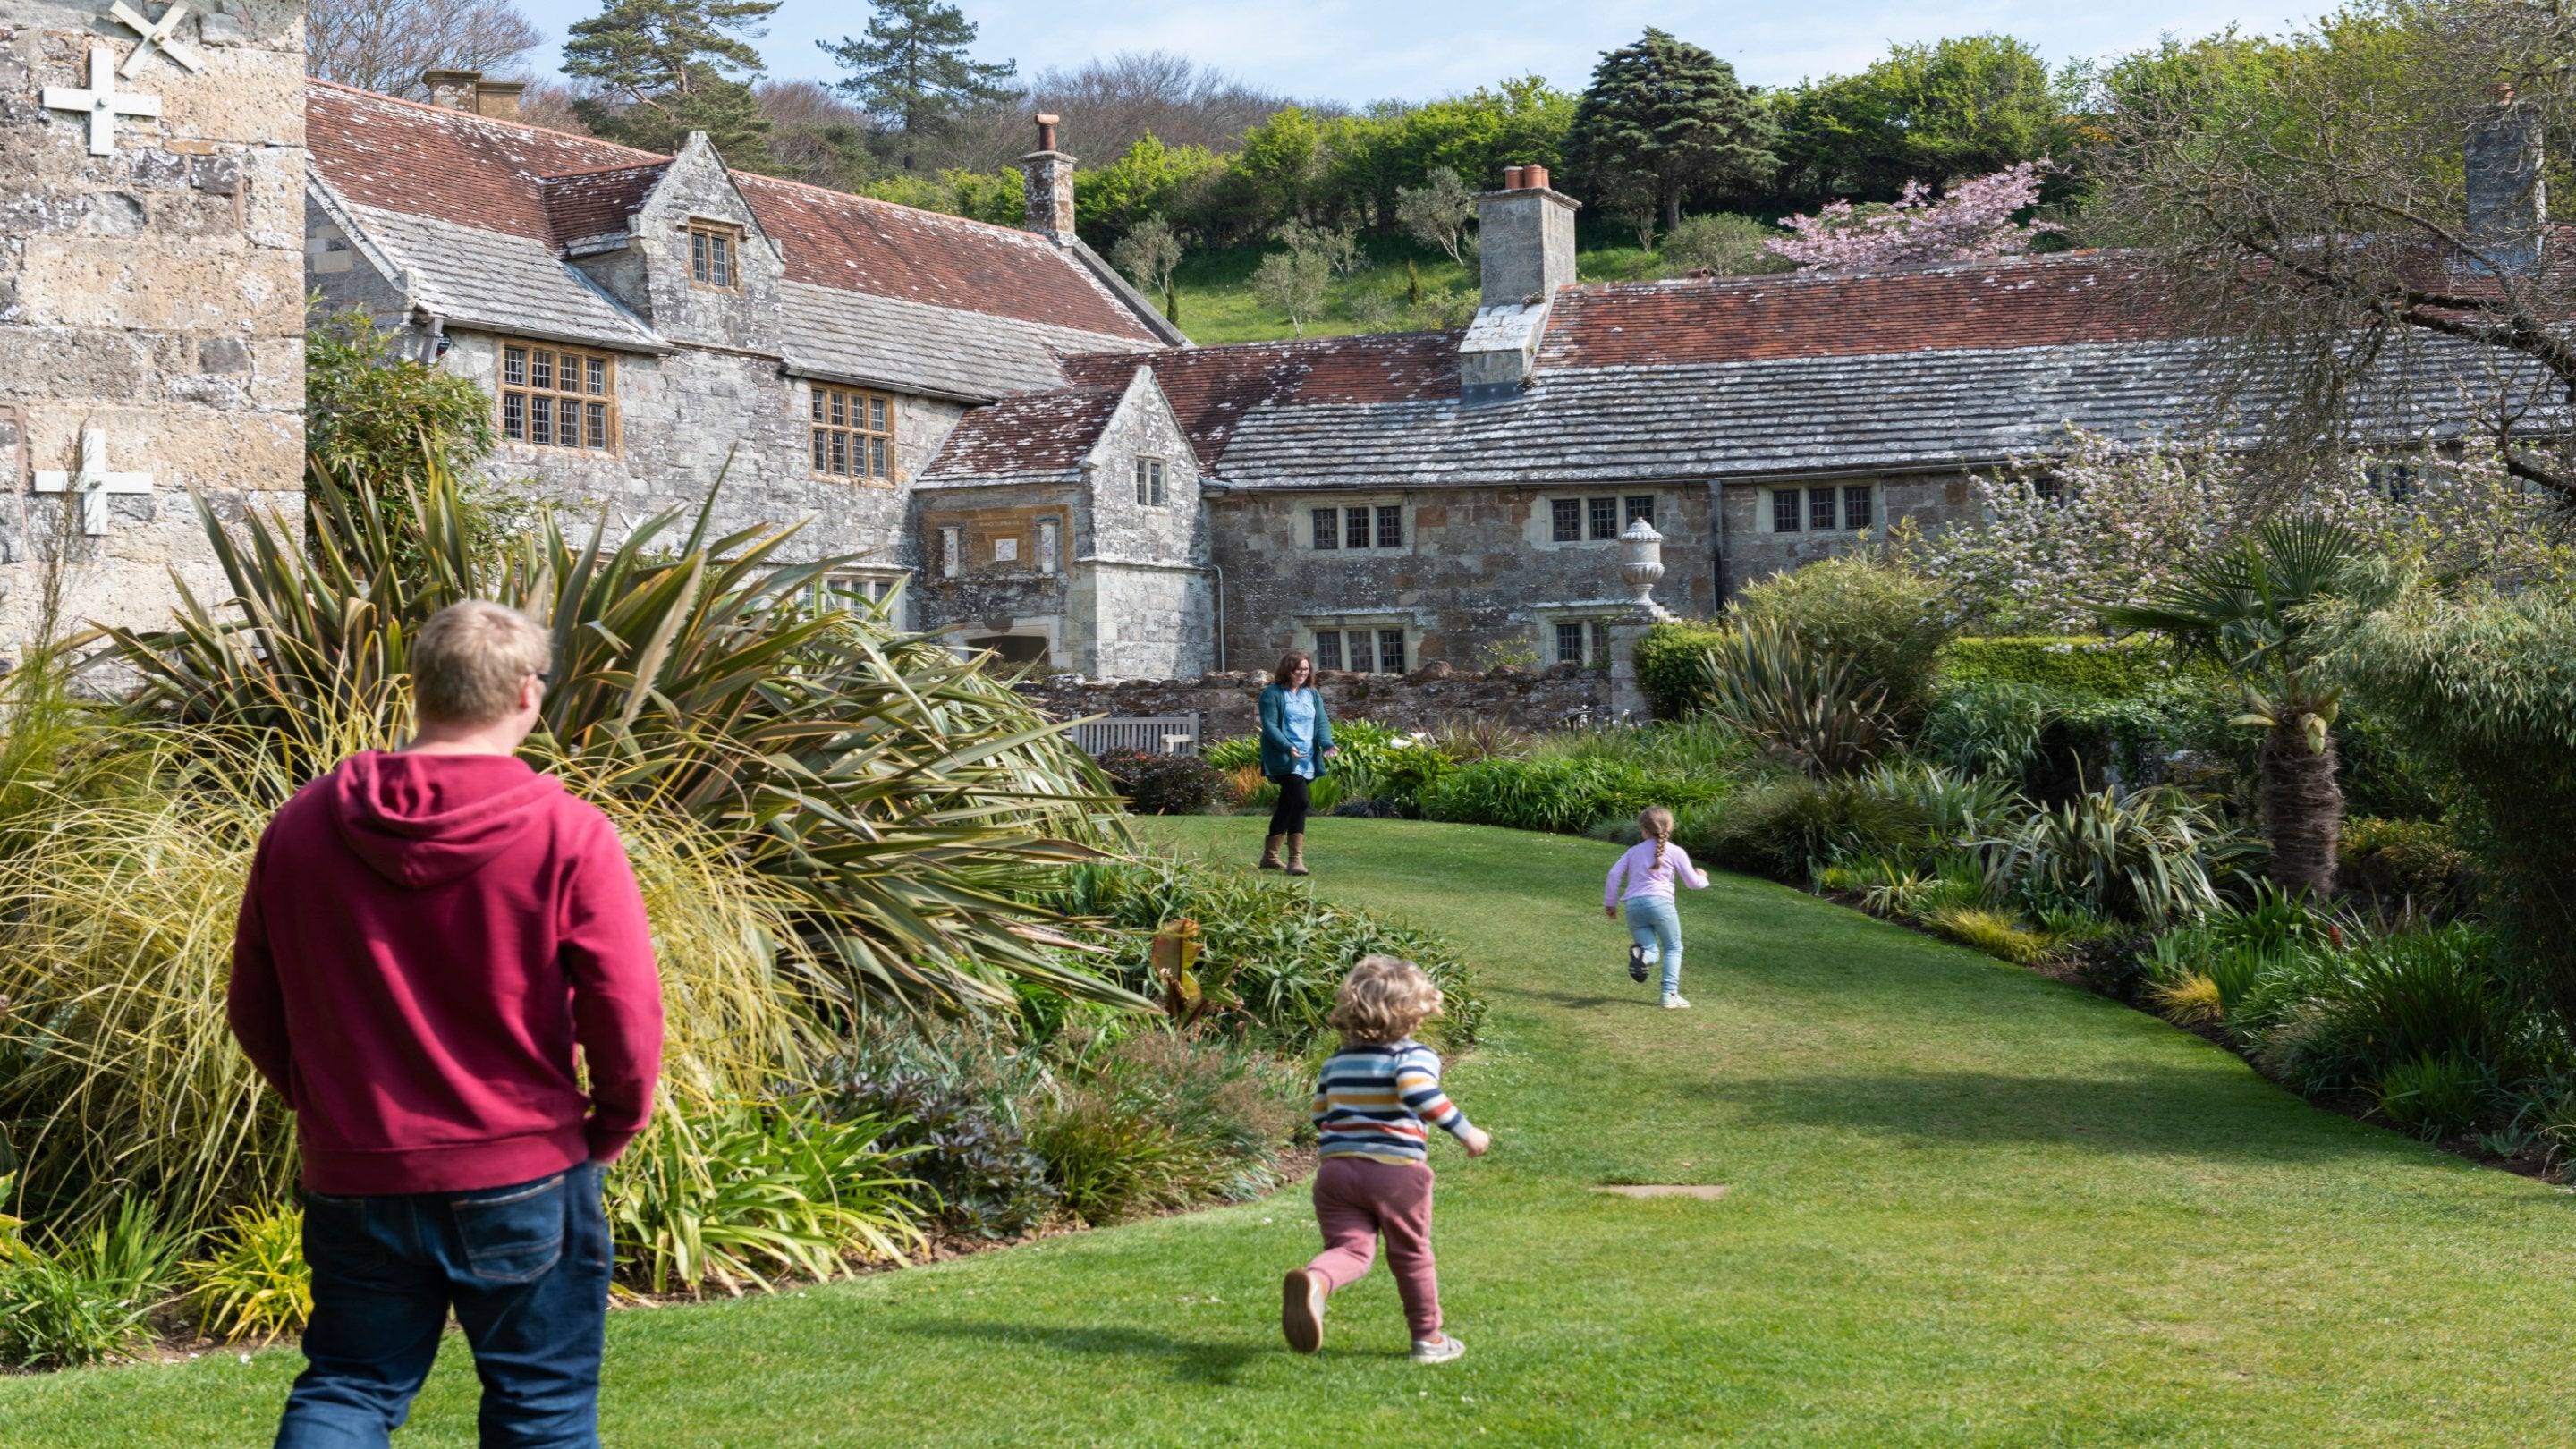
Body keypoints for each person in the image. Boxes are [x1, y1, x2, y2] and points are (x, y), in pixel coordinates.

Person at [227, 600, 664, 1449]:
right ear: (529, 696)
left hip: (358, 1168)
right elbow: (625, 1009)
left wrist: (330, 1110)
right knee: (543, 1412)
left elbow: (255, 1002)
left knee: (348, 1390)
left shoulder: (304, 823)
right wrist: (615, 1123)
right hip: (525, 1165)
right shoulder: (568, 832)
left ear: (418, 690)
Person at [1282, 954, 1489, 1364]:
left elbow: (1320, 1115)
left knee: (1352, 1249)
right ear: (1414, 1012)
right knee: (1411, 1255)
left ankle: (1316, 1281)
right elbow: (1418, 1092)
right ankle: (1428, 1340)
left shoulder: (1336, 1062)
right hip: (1395, 1174)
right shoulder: (1413, 1056)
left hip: (1336, 1172)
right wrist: (1468, 1132)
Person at [1605, 805, 1712, 1009]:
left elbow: (1613, 875)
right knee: (1673, 947)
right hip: (1661, 904)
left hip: (1634, 906)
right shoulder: (1676, 852)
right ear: (1670, 828)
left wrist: (1610, 903)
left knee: (1650, 950)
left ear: (1643, 829)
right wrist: (1704, 877)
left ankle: (1643, 957)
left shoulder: (1633, 852)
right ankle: (1669, 995)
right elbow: (1693, 883)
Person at [1256, 649, 1338, 876]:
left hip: (1307, 757)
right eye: (1298, 669)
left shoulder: (1311, 694)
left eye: (1305, 669)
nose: (1302, 673)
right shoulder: (1271, 694)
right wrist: (1287, 746)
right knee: (1300, 802)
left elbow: (1321, 722)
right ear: (1287, 670)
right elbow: (1270, 726)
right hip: (1283, 757)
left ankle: (1270, 857)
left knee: (1287, 804)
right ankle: (1295, 860)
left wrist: (1327, 744)